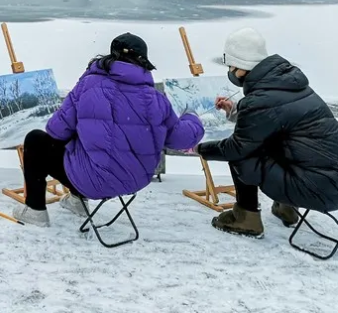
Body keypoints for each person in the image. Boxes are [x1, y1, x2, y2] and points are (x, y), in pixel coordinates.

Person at [13, 33, 205, 226]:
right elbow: (181, 138)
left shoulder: (90, 84)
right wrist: (192, 119)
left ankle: (35, 210)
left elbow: (57, 130)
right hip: (135, 181)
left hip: (92, 181)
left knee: (36, 140)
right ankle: (76, 201)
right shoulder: (155, 98)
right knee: (89, 143)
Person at [198, 27, 338, 238]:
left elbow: (237, 148)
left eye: (232, 65)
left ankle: (246, 219)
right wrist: (234, 110)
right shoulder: (290, 85)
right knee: (277, 142)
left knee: (243, 156)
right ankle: (286, 208)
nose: (230, 70)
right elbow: (270, 122)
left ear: (242, 66)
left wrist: (199, 147)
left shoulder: (260, 100)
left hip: (323, 190)